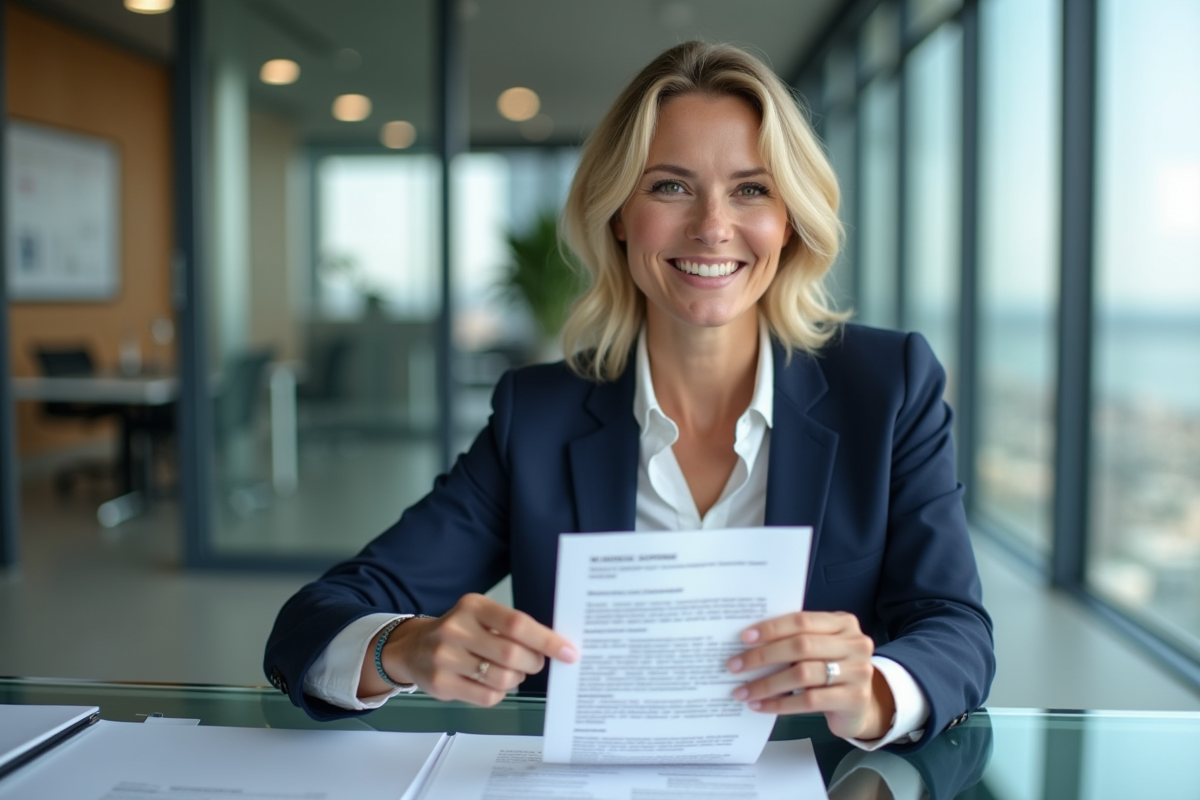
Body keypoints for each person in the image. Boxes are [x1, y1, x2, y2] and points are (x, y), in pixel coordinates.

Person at [264, 40, 994, 752]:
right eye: (670, 186)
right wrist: (409, 645)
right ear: (618, 213)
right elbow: (312, 623)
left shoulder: (887, 384)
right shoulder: (539, 416)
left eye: (751, 189)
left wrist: (869, 691)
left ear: (790, 217)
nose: (713, 226)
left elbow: (955, 628)